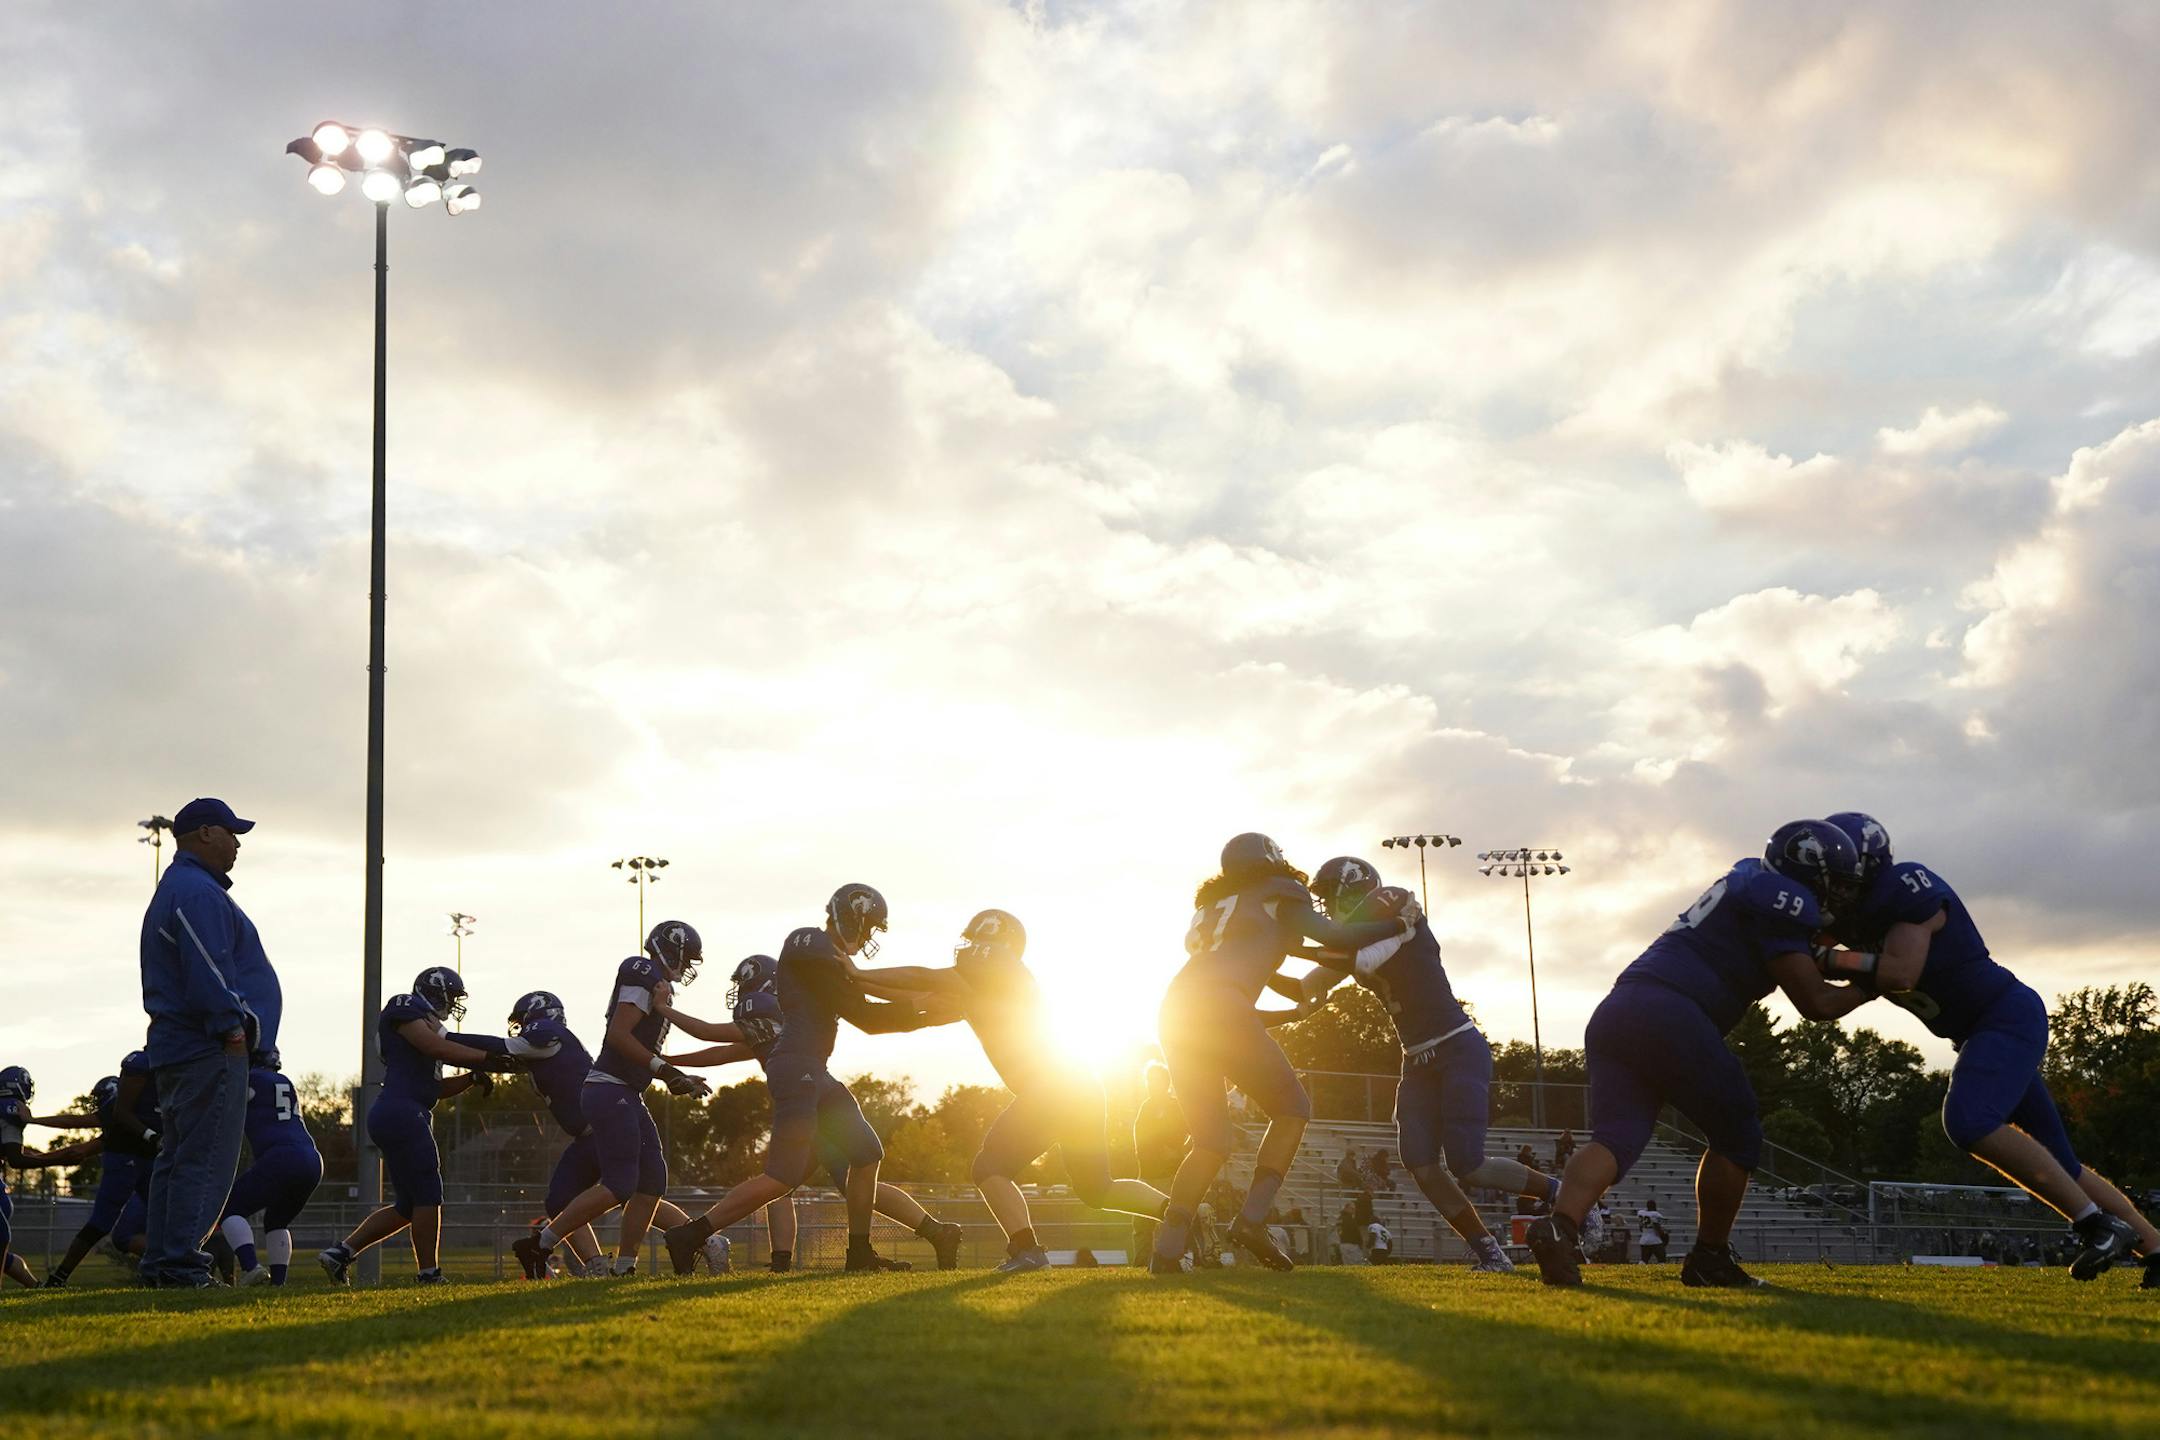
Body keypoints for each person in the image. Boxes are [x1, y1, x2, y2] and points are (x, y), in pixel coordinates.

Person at [1528, 819, 1874, 1288]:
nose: (1840, 895)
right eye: (1836, 883)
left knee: (1614, 1140)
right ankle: (1710, 1257)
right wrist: (1872, 984)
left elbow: (1803, 949)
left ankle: (1559, 1226)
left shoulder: (1750, 878)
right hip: (1672, 1011)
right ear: (1811, 873)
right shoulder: (1784, 899)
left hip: (1620, 1008)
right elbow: (1816, 1002)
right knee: (1738, 1132)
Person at [1820, 811, 2160, 1288]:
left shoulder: (1904, 888)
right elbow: (1832, 975)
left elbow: (1898, 972)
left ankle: (2096, 1225)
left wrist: (1827, 956)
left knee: (1969, 1120)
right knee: (2062, 1165)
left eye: (1839, 878)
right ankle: (2157, 1249)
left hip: (2003, 1016)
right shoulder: (1854, 917)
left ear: (1868, 868)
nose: (1831, 890)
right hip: (1980, 1031)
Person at [844, 909, 1171, 1272]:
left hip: (1054, 1086)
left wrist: (856, 974)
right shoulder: (982, 986)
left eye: (977, 942)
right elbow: (919, 1000)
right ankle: (1181, 1213)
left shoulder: (989, 975)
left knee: (989, 1166)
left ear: (994, 947)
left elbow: (923, 978)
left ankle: (1027, 1251)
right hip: (1080, 1085)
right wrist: (856, 984)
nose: (969, 948)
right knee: (1098, 1189)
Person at [1151, 833, 1416, 1275]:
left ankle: (1167, 1250)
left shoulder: (1217, 907)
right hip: (1222, 1007)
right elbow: (1333, 935)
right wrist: (1398, 924)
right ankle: (1252, 1221)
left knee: (1210, 1142)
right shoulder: (1280, 893)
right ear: (1272, 859)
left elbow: (1225, 992)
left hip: (1176, 1012)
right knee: (1292, 1107)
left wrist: (1291, 1013)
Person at [662, 885, 959, 1275]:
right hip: (798, 1068)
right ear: (851, 916)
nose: (867, 936)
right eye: (867, 926)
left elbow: (866, 1009)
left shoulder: (824, 958)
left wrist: (936, 1011)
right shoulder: (809, 944)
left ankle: (858, 1252)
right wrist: (927, 1009)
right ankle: (690, 1235)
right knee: (781, 1178)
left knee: (867, 1152)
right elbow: (866, 1017)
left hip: (813, 1072)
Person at [1300, 856, 1571, 1274]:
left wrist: (1290, 941)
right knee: (1421, 1163)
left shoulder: (1391, 900)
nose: (1322, 908)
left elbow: (1354, 956)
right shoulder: (1354, 939)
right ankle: (1488, 1252)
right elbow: (1307, 989)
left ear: (1351, 886)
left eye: (1325, 895)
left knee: (1469, 1163)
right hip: (1416, 1060)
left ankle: (1562, 1194)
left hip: (1455, 1045)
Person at [513, 923, 764, 1280]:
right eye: (686, 957)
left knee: (651, 1182)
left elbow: (646, 1048)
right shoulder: (642, 971)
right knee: (620, 1184)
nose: (688, 965)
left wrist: (675, 1072)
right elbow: (618, 1036)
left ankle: (625, 1266)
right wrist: (666, 1071)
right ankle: (540, 1244)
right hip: (610, 1087)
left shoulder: (659, 988)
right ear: (670, 949)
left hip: (626, 1090)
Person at [710, 952, 962, 1273]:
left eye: (747, 986)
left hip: (815, 1108)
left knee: (784, 1181)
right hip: (815, 1104)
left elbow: (721, 1046)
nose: (743, 995)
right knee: (810, 1182)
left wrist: (663, 1056)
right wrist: (667, 1062)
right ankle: (934, 1232)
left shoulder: (779, 1016)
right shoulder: (782, 1018)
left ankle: (778, 1260)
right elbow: (725, 1051)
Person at [136, 798, 278, 1289]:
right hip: (208, 1045)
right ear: (204, 834)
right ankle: (179, 1265)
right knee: (206, 1158)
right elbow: (208, 972)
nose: (237, 843)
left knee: (178, 1158)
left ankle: (162, 1263)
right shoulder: (196, 892)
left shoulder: (187, 887)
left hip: (186, 1045)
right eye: (231, 832)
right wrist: (233, 1031)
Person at [320, 967, 519, 1285]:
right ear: (434, 991)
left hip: (401, 1110)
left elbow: (433, 1088)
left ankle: (340, 1253)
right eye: (451, 996)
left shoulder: (424, 1029)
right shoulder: (404, 1006)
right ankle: (429, 1275)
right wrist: (485, 1059)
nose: (453, 1004)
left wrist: (470, 1079)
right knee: (429, 1191)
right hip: (402, 1111)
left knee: (408, 1206)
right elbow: (435, 1047)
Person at [35, 1051, 160, 1287]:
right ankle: (163, 1269)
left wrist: (33, 1121)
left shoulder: (119, 1109)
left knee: (102, 1223)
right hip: (149, 1162)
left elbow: (74, 1123)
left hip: (132, 1163)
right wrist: (40, 1157)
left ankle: (60, 1277)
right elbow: (80, 1150)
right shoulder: (131, 1114)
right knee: (162, 1217)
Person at [215, 1054, 322, 1286]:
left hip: (280, 1156)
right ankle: (278, 1283)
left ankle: (250, 1267)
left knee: (229, 1209)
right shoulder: (284, 1081)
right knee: (277, 1220)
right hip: (312, 1159)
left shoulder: (250, 1079)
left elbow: (221, 1106)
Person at [1132, 1061, 1187, 1260]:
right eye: (1149, 1080)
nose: (1150, 1084)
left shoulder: (1175, 1106)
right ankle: (1141, 1262)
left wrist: (1179, 1152)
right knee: (1141, 1224)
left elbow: (1192, 1133)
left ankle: (1172, 1258)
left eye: (1155, 1080)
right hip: (1146, 1174)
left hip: (1168, 1174)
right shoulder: (1146, 1107)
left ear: (1166, 1083)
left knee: (1169, 1221)